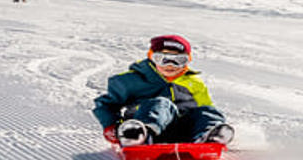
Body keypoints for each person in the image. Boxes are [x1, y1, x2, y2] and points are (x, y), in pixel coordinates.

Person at [92, 34, 234, 147]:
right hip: (146, 126)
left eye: (178, 60)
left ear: (188, 60)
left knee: (207, 110)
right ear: (151, 58)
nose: (170, 65)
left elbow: (205, 109)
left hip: (183, 131)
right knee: (161, 104)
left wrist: (209, 120)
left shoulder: (194, 83)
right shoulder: (130, 80)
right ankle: (139, 136)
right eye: (162, 59)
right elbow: (105, 104)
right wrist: (112, 126)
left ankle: (209, 137)